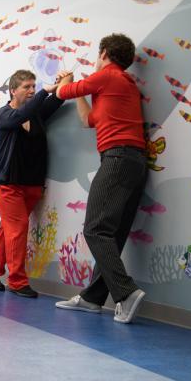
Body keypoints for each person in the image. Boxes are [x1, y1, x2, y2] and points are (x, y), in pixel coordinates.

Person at [55, 33, 147, 323]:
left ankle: (126, 292)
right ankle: (93, 298)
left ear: (104, 52)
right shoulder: (123, 84)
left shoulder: (107, 76)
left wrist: (65, 81)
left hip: (117, 158)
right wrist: (79, 91)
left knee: (95, 229)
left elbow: (60, 94)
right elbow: (88, 121)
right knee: (113, 233)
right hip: (133, 161)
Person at [0, 70, 64, 298]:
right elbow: (23, 114)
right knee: (17, 230)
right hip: (8, 183)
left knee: (8, 230)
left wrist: (61, 84)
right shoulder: (5, 114)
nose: (31, 91)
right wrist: (44, 93)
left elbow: (56, 100)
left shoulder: (36, 114)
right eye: (26, 87)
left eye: (33, 87)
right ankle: (17, 281)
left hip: (32, 184)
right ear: (13, 91)